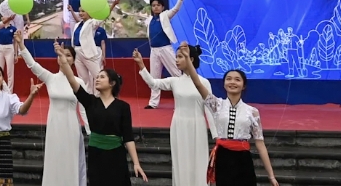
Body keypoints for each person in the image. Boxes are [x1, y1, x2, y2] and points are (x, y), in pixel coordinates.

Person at [55, 57, 148, 185]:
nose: (97, 79)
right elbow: (71, 79)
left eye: (102, 77)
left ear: (112, 83)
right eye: (97, 77)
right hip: (96, 153)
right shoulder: (90, 101)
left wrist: (136, 163)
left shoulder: (123, 107)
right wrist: (64, 61)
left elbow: (128, 137)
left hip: (116, 154)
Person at [135, 42, 208, 186]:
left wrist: (218, 136)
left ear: (190, 59)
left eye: (180, 57)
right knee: (181, 161)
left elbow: (210, 108)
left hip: (197, 124)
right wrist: (141, 65)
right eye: (176, 57)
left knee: (199, 161)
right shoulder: (174, 81)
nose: (176, 60)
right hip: (179, 124)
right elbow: (153, 83)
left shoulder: (204, 82)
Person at [18, 35, 85, 186]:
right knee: (54, 160)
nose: (64, 58)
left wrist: (90, 130)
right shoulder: (51, 78)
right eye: (62, 54)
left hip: (71, 126)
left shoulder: (79, 82)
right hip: (55, 125)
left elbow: (85, 108)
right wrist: (21, 46)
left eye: (68, 55)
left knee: (70, 161)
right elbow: (32, 65)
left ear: (73, 60)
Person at [203, 69, 281, 186]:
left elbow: (260, 144)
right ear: (224, 83)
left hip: (243, 159)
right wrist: (188, 61)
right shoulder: (217, 105)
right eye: (228, 79)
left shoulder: (252, 112)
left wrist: (271, 176)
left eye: (237, 79)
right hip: (223, 157)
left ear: (243, 86)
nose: (232, 82)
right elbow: (198, 84)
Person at [144, 0, 184, 109]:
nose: (155, 7)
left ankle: (182, 100)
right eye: (153, 5)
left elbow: (176, 9)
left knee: (176, 73)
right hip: (154, 50)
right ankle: (153, 103)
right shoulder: (149, 20)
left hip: (165, 48)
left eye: (158, 5)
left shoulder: (165, 15)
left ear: (162, 7)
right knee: (154, 77)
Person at [73, 4, 115, 94]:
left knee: (98, 76)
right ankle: (86, 103)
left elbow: (104, 16)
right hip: (77, 53)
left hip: (88, 53)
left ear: (89, 13)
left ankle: (100, 98)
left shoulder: (92, 23)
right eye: (79, 11)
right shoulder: (77, 25)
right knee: (83, 79)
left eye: (83, 11)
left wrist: (114, 5)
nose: (80, 13)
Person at [0, 8, 18, 93]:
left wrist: (16, 54)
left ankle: (10, 92)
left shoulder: (13, 28)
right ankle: (0, 90)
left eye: (4, 15)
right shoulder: (0, 28)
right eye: (2, 16)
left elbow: (15, 42)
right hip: (0, 48)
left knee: (10, 72)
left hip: (9, 48)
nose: (2, 17)